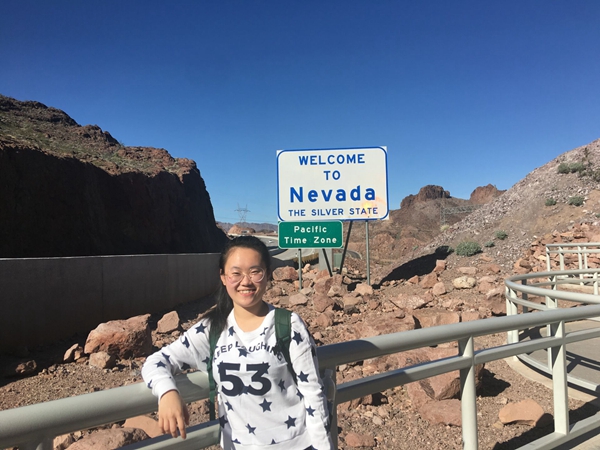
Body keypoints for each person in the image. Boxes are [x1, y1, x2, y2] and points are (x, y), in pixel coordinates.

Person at [142, 236, 333, 450]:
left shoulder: (288, 325)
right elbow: (156, 361)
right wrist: (167, 393)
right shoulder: (212, 329)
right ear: (223, 277)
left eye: (255, 272)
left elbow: (313, 392)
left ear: (267, 274)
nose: (246, 281)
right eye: (236, 273)